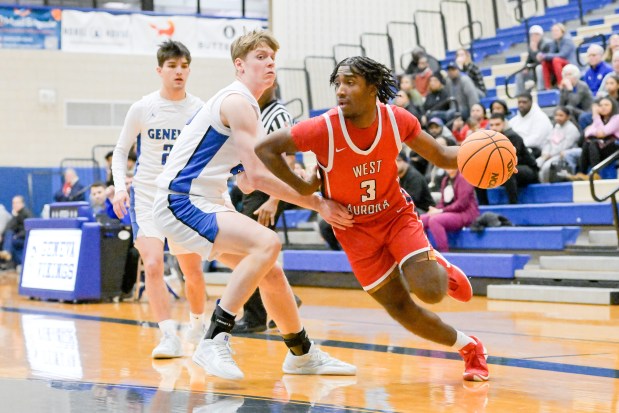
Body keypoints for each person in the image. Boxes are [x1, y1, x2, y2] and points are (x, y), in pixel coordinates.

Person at [256, 56, 490, 382]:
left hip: (395, 215)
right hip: (353, 231)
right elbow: (265, 149)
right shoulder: (323, 127)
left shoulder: (396, 120)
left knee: (432, 291)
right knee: (400, 309)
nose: (340, 90)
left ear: (372, 88)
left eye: (350, 82)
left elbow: (442, 155)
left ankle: (440, 265)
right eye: (337, 83)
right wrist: (309, 191)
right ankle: (469, 347)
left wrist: (487, 152)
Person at [152, 30, 356, 381]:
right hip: (183, 201)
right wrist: (317, 202)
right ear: (239, 65)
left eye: (272, 57)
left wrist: (306, 189)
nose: (270, 62)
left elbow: (246, 179)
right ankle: (213, 338)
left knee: (270, 270)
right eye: (260, 56)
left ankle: (302, 354)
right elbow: (259, 178)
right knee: (267, 242)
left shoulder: (245, 108)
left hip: (203, 201)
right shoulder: (238, 101)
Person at [111, 40, 208, 359]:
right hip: (148, 196)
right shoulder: (143, 107)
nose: (179, 71)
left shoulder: (199, 109)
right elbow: (122, 150)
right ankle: (168, 336)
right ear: (159, 70)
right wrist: (120, 187)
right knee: (152, 263)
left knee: (191, 272)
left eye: (184, 66)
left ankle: (197, 324)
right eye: (172, 66)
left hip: (184, 198)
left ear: (189, 69)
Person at [232, 81, 303, 335]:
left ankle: (255, 317)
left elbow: (290, 158)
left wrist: (273, 200)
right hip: (258, 188)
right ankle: (287, 300)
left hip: (268, 191)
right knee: (256, 254)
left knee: (248, 250)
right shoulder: (253, 114)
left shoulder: (278, 114)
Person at [476, 113, 539, 205]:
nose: (494, 128)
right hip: (504, 170)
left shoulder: (513, 137)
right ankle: (483, 206)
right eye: (492, 125)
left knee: (508, 171)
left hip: (528, 169)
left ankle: (513, 205)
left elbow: (508, 159)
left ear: (504, 124)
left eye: (497, 124)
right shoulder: (489, 139)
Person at [420, 168, 479, 252]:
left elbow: (461, 204)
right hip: (451, 212)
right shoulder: (445, 180)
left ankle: (445, 254)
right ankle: (424, 252)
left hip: (466, 213)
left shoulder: (464, 178)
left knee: (435, 220)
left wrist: (441, 211)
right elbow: (442, 202)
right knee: (421, 219)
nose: (448, 166)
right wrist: (435, 210)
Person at [537, 106, 581, 182]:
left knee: (546, 167)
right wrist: (545, 153)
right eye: (556, 115)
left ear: (568, 117)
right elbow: (548, 142)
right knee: (536, 163)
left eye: (561, 115)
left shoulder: (572, 129)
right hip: (549, 155)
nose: (558, 118)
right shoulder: (556, 127)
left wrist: (550, 155)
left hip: (562, 156)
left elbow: (566, 146)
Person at [579, 96, 619, 175]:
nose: (603, 107)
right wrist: (596, 130)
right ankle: (582, 174)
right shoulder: (600, 120)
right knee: (587, 144)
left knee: (593, 143)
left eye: (606, 105)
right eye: (601, 105)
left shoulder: (617, 118)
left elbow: (601, 133)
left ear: (613, 106)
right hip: (602, 146)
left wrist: (596, 115)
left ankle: (595, 174)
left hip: (615, 146)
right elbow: (587, 134)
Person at [509, 92, 553, 158]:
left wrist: (517, 146)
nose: (521, 104)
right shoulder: (514, 120)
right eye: (519, 102)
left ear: (531, 102)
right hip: (518, 150)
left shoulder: (541, 117)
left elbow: (536, 140)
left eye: (524, 102)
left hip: (538, 152)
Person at [537, 23, 576, 89]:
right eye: (553, 31)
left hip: (570, 63)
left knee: (556, 60)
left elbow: (562, 55)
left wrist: (545, 56)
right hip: (560, 64)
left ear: (562, 31)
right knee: (545, 62)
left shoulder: (568, 41)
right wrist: (542, 56)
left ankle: (561, 84)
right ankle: (547, 87)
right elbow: (550, 54)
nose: (554, 33)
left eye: (556, 31)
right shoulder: (554, 42)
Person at [397, 151, 435, 215]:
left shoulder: (414, 176)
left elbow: (411, 200)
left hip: (425, 210)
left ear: (405, 161)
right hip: (412, 208)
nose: (394, 164)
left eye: (397, 160)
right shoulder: (398, 177)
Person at [0, 195, 32, 271]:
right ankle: (8, 256)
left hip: (24, 238)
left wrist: (17, 236)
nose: (15, 205)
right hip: (17, 237)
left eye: (17, 203)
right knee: (9, 234)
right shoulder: (17, 214)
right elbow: (10, 227)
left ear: (22, 204)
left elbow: (28, 229)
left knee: (11, 239)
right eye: (13, 203)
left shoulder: (26, 214)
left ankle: (7, 252)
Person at [515, 25, 549, 94]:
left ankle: (541, 91)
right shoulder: (532, 45)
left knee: (539, 68)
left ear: (541, 35)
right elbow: (529, 59)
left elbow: (543, 61)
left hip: (545, 70)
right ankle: (520, 94)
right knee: (519, 74)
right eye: (532, 35)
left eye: (536, 35)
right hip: (533, 70)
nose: (533, 37)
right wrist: (526, 68)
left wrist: (535, 50)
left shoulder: (546, 44)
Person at [558, 64, 593, 130]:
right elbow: (561, 105)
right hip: (574, 111)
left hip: (586, 112)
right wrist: (562, 91)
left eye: (570, 74)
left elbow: (573, 103)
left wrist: (570, 90)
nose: (567, 77)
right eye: (565, 75)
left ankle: (577, 132)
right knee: (559, 112)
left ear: (576, 76)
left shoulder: (582, 86)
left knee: (568, 109)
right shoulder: (565, 87)